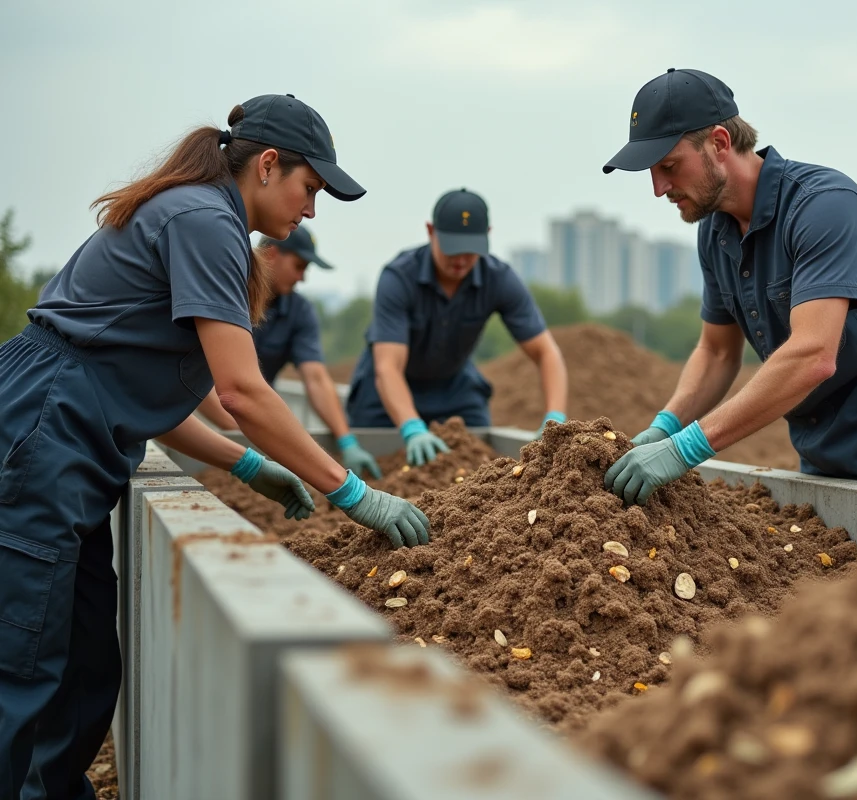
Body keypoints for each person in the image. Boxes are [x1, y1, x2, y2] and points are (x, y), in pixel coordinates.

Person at [0, 94, 430, 799]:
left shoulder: (200, 215)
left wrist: (248, 465)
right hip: (44, 429)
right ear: (268, 165)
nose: (311, 211)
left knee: (82, 662)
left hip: (67, 426)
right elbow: (243, 392)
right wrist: (349, 491)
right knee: (21, 663)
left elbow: (142, 399)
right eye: (310, 188)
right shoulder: (205, 221)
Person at [600, 68, 857, 505]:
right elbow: (718, 352)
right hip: (820, 437)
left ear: (720, 144)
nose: (659, 188)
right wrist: (667, 425)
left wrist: (687, 448)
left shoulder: (824, 206)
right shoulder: (714, 233)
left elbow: (813, 356)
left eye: (668, 166)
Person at [345, 188, 569, 465]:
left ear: (487, 234)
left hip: (455, 391)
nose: (461, 260)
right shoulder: (399, 277)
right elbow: (387, 367)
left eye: (470, 250)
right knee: (382, 468)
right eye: (452, 249)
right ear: (430, 231)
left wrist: (554, 420)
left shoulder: (499, 279)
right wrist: (412, 428)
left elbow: (546, 353)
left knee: (481, 470)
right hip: (385, 395)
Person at [195, 225, 382, 478]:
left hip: (253, 423)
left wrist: (346, 440)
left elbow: (315, 378)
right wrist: (254, 437)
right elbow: (202, 384)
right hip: (203, 423)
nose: (302, 278)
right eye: (299, 266)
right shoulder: (226, 291)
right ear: (272, 254)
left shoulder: (299, 312)